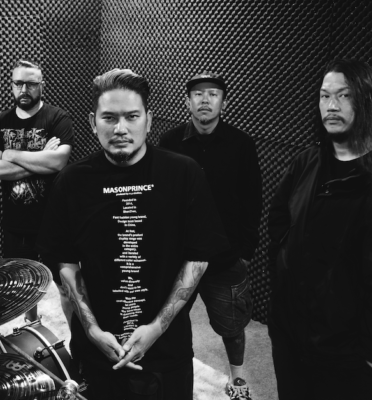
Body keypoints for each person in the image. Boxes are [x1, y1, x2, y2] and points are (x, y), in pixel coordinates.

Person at [37, 69, 229, 399]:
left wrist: (157, 327)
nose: (120, 128)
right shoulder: (71, 182)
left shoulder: (184, 174)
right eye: (109, 118)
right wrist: (92, 330)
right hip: (98, 355)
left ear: (149, 120)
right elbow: (64, 262)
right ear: (93, 122)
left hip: (167, 354)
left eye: (132, 116)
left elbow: (198, 257)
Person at [267, 58, 372, 400]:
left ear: (368, 101)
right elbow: (279, 221)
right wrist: (281, 294)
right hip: (293, 339)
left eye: (344, 95)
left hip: (349, 357)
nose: (332, 105)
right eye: (325, 96)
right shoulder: (307, 162)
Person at [160, 72, 262, 400]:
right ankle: (177, 382)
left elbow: (252, 201)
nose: (205, 100)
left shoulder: (242, 144)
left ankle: (238, 380)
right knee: (174, 324)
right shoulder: (169, 142)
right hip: (181, 257)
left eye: (213, 94)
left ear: (224, 103)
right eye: (198, 94)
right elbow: (161, 197)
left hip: (225, 258)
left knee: (232, 327)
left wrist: (244, 253)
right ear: (187, 101)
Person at [0, 60, 74, 322]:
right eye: (18, 83)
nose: (24, 89)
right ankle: (31, 323)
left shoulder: (58, 118)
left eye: (31, 84)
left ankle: (77, 338)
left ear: (41, 85)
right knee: (25, 286)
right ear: (12, 85)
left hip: (54, 221)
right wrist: (40, 159)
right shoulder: (0, 121)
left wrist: (12, 154)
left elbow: (58, 162)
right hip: (17, 223)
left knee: (66, 286)